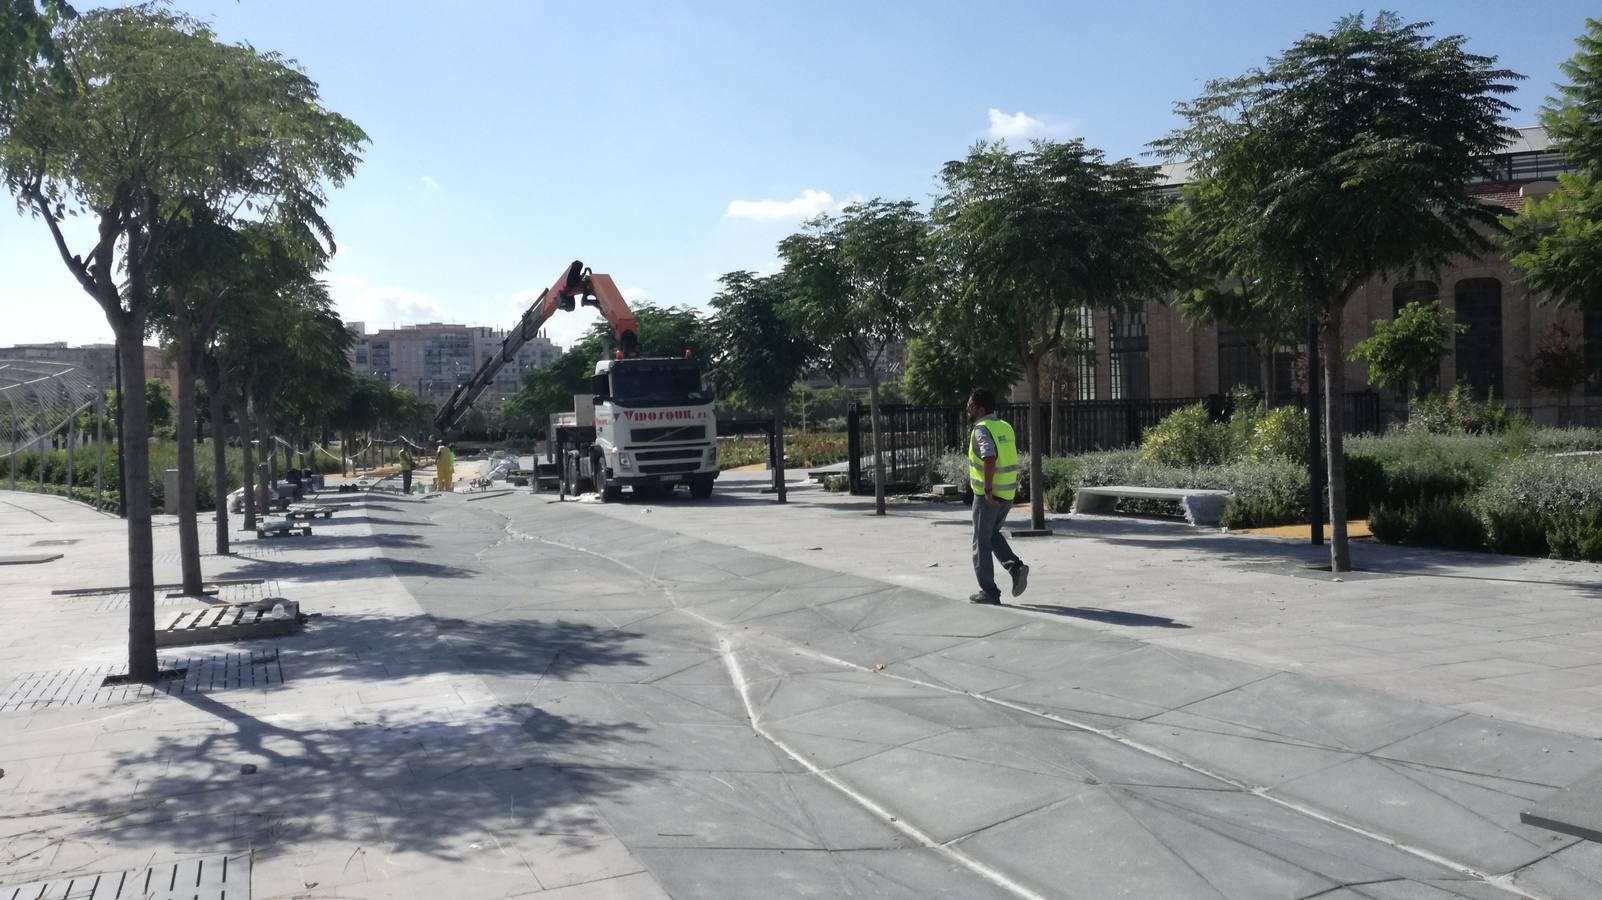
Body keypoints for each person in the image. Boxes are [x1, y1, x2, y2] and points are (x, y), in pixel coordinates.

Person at [965, 388, 1028, 604]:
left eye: (971, 405)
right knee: (992, 534)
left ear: (980, 409)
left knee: (981, 542)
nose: (968, 408)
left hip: (987, 496)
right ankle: (1016, 567)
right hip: (1007, 493)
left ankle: (989, 592)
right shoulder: (1005, 426)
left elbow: (989, 457)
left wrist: (988, 492)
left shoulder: (981, 429)